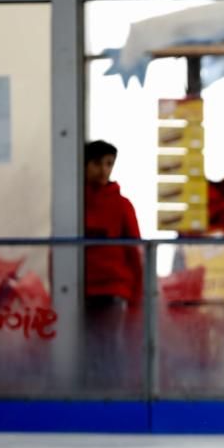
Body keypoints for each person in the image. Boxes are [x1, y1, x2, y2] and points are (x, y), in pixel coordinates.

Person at [83, 140, 143, 387]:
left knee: (108, 344)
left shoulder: (122, 205)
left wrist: (137, 296)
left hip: (113, 289)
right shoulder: (74, 205)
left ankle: (114, 395)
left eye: (109, 164)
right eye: (97, 163)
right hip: (80, 289)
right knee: (85, 345)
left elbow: (135, 253)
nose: (103, 170)